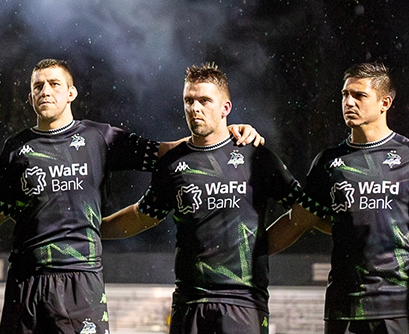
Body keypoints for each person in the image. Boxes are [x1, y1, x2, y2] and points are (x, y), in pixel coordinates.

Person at [0, 59, 264, 334]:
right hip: (25, 278)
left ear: (71, 93)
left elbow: (165, 151)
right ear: (30, 96)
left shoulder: (99, 137)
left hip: (81, 279)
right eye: (38, 86)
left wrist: (226, 136)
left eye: (54, 84)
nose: (45, 91)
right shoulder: (16, 146)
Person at [100, 63, 307, 334]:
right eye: (189, 100)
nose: (195, 108)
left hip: (243, 303)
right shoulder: (172, 163)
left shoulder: (256, 156)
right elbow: (143, 215)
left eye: (205, 100)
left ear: (225, 108)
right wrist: (93, 228)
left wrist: (262, 245)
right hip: (190, 302)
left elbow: (303, 211)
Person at [268, 62, 408, 333]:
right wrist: (249, 252)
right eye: (345, 95)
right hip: (343, 309)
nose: (349, 102)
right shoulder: (328, 162)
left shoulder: (406, 157)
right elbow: (299, 220)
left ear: (385, 102)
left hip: (398, 308)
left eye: (359, 95)